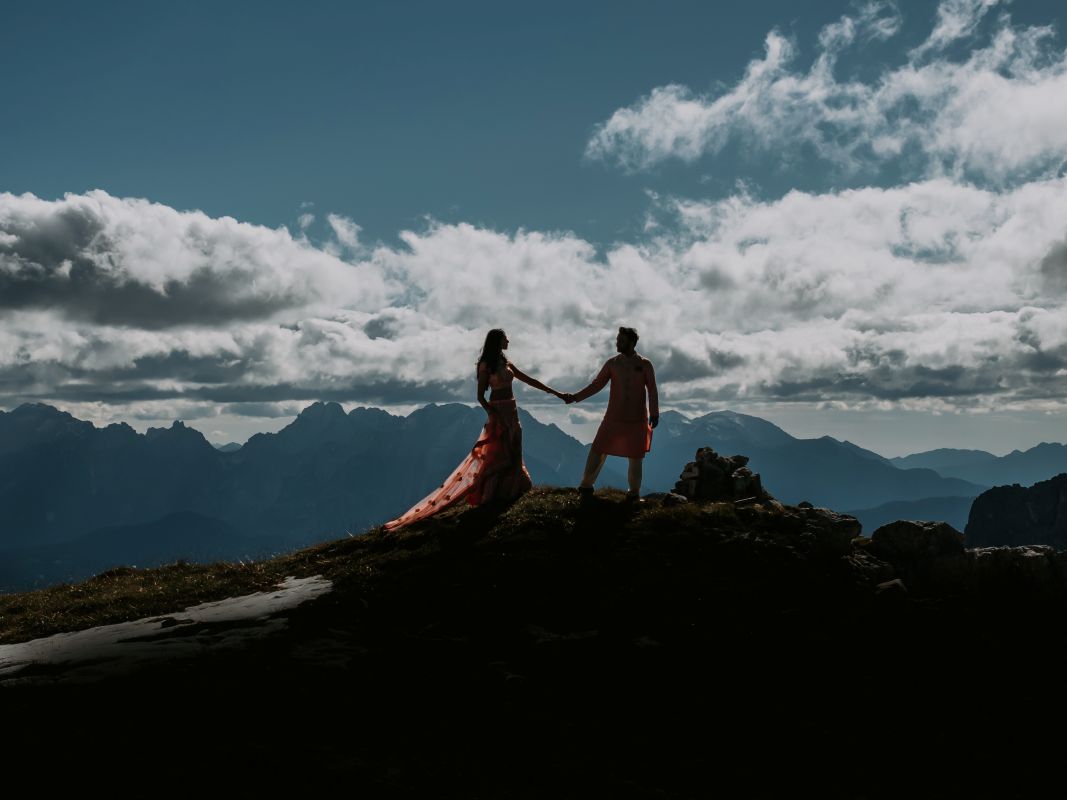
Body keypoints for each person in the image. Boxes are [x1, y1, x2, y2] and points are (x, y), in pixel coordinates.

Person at [383, 329, 564, 530]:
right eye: (505, 338)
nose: (508, 341)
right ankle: (493, 495)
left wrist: (555, 392)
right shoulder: (486, 365)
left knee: (514, 450)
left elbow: (529, 380)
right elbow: (480, 396)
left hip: (512, 411)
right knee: (499, 453)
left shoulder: (506, 363)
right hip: (498, 411)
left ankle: (510, 491)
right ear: (497, 341)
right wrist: (492, 413)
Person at [564, 327, 659, 503]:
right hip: (613, 417)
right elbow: (596, 385)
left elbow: (652, 389)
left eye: (621, 340)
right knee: (598, 450)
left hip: (637, 418)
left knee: (635, 456)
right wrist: (575, 397)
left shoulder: (645, 364)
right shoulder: (612, 364)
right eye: (617, 340)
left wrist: (654, 413)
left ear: (631, 343)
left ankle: (634, 493)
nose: (617, 343)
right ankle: (585, 486)